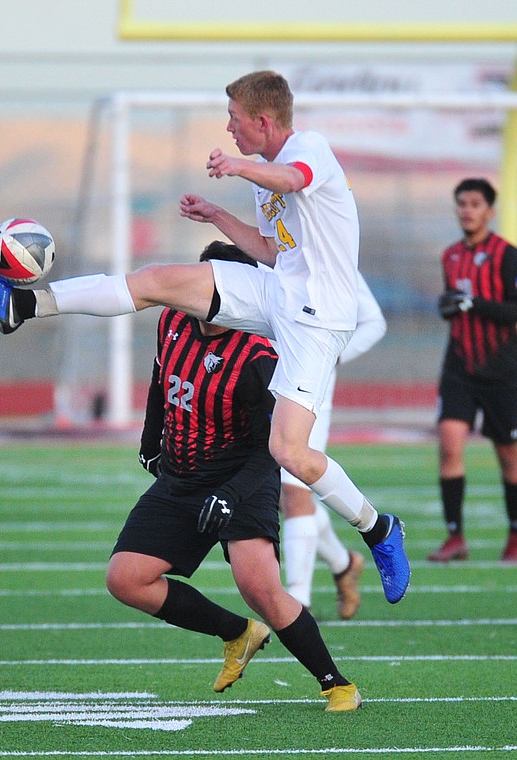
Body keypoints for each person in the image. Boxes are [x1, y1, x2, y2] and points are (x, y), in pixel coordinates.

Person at [0, 69, 410, 604]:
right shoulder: (265, 172)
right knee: (158, 282)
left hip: (319, 320)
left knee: (290, 452)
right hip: (278, 292)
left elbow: (294, 179)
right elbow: (272, 252)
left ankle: (379, 530)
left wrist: (237, 167)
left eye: (234, 120)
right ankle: (21, 303)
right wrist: (218, 214)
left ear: (263, 121)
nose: (229, 128)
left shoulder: (307, 151)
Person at [107, 240, 360, 712]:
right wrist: (149, 443)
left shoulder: (258, 355)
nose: (202, 291)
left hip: (243, 475)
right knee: (126, 578)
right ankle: (237, 633)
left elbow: (275, 450)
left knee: (260, 589)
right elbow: (161, 384)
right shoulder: (172, 320)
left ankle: (337, 684)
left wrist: (229, 495)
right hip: (183, 475)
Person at [428, 178, 517, 564]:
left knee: (507, 452)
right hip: (459, 365)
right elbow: (450, 306)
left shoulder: (508, 255)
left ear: (490, 211)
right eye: (461, 203)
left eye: (474, 204)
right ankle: (455, 537)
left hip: (501, 369)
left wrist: (475, 303)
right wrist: (450, 306)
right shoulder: (450, 256)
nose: (466, 210)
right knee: (449, 445)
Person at [280, 272, 385, 619]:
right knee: (283, 497)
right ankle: (343, 563)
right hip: (269, 388)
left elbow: (373, 322)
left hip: (311, 393)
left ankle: (298, 603)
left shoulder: (333, 263)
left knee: (295, 492)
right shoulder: (272, 254)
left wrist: (334, 354)